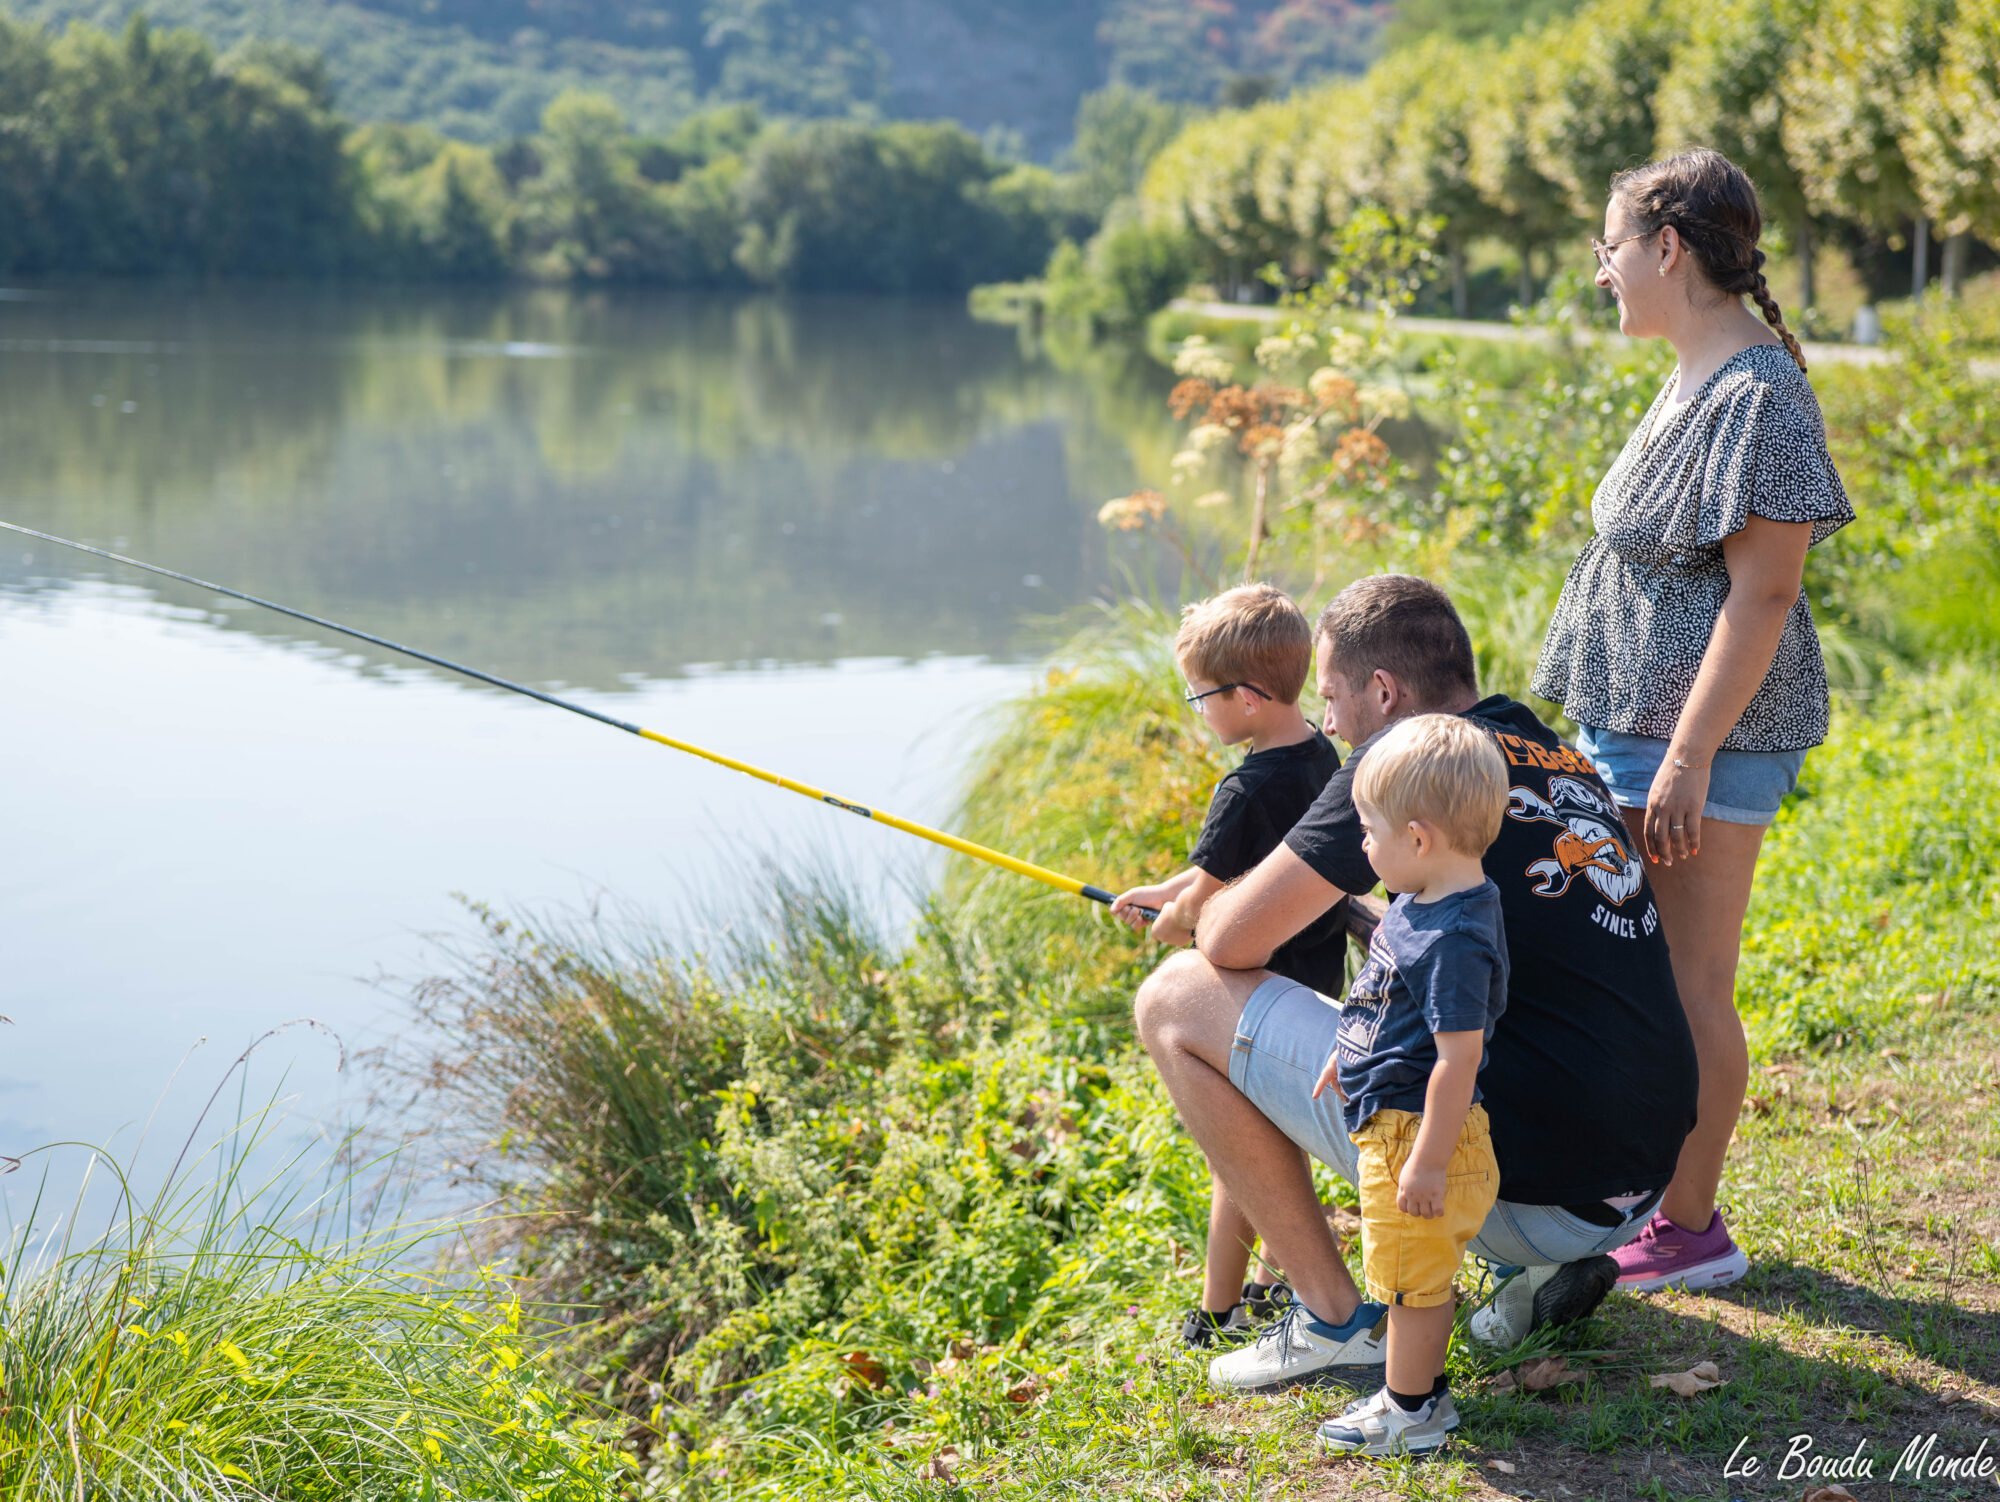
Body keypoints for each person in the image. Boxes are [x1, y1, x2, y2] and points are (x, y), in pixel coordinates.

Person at [1134, 574, 1699, 1394]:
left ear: (1384, 691)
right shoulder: (1552, 755)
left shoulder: (1403, 766)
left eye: (1330, 696)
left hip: (1527, 1188)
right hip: (1638, 1185)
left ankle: (1331, 1317)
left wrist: (1201, 904)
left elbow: (1225, 939)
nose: (1327, 721)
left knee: (1175, 998)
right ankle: (1535, 1272)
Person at [1533, 149, 1853, 1292]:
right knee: (1642, 975)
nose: (1602, 269)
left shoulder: (1758, 393)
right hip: (1637, 723)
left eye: (1609, 245)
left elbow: (1764, 592)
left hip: (1694, 742)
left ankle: (1687, 1224)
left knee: (1687, 982)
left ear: (1665, 247)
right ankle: (1635, 1191)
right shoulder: (1692, 369)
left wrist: (1684, 754)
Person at [1110, 583, 1348, 1348]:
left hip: (1254, 993)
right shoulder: (1319, 752)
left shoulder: (1243, 788)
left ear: (1245, 699)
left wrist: (1169, 922)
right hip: (1317, 978)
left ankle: (1218, 1313)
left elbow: (1198, 912)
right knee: (1276, 1145)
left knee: (1239, 1158)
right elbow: (1217, 875)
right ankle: (1269, 1286)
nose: (1197, 708)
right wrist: (1168, 891)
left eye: (1200, 696)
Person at [1308, 715, 1509, 1457]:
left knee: (1410, 1284)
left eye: (1369, 831)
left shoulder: (1455, 937)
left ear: (1418, 840)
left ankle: (1412, 1410)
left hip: (1418, 1137)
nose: (1364, 845)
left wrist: (1426, 1160)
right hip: (1394, 1121)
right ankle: (1415, 1393)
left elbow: (1458, 1059)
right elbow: (1385, 1000)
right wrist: (1350, 1050)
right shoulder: (1421, 903)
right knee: (1409, 1274)